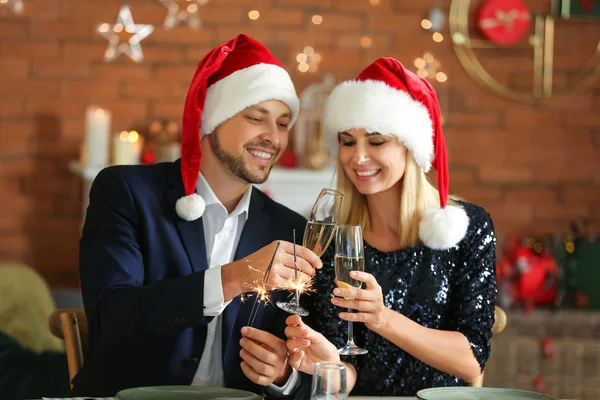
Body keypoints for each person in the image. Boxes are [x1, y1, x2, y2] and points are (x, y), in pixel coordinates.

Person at [71, 34, 322, 398]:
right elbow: (110, 319)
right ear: (212, 119)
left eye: (283, 123)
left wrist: (285, 375)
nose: (273, 138)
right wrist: (234, 278)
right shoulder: (126, 191)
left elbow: (309, 360)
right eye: (256, 118)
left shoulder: (290, 228)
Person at [284, 57, 498, 396]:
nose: (358, 157)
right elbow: (346, 374)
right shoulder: (332, 236)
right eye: (348, 141)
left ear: (409, 146)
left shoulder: (467, 228)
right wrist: (328, 368)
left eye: (376, 141)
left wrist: (383, 318)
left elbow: (471, 359)